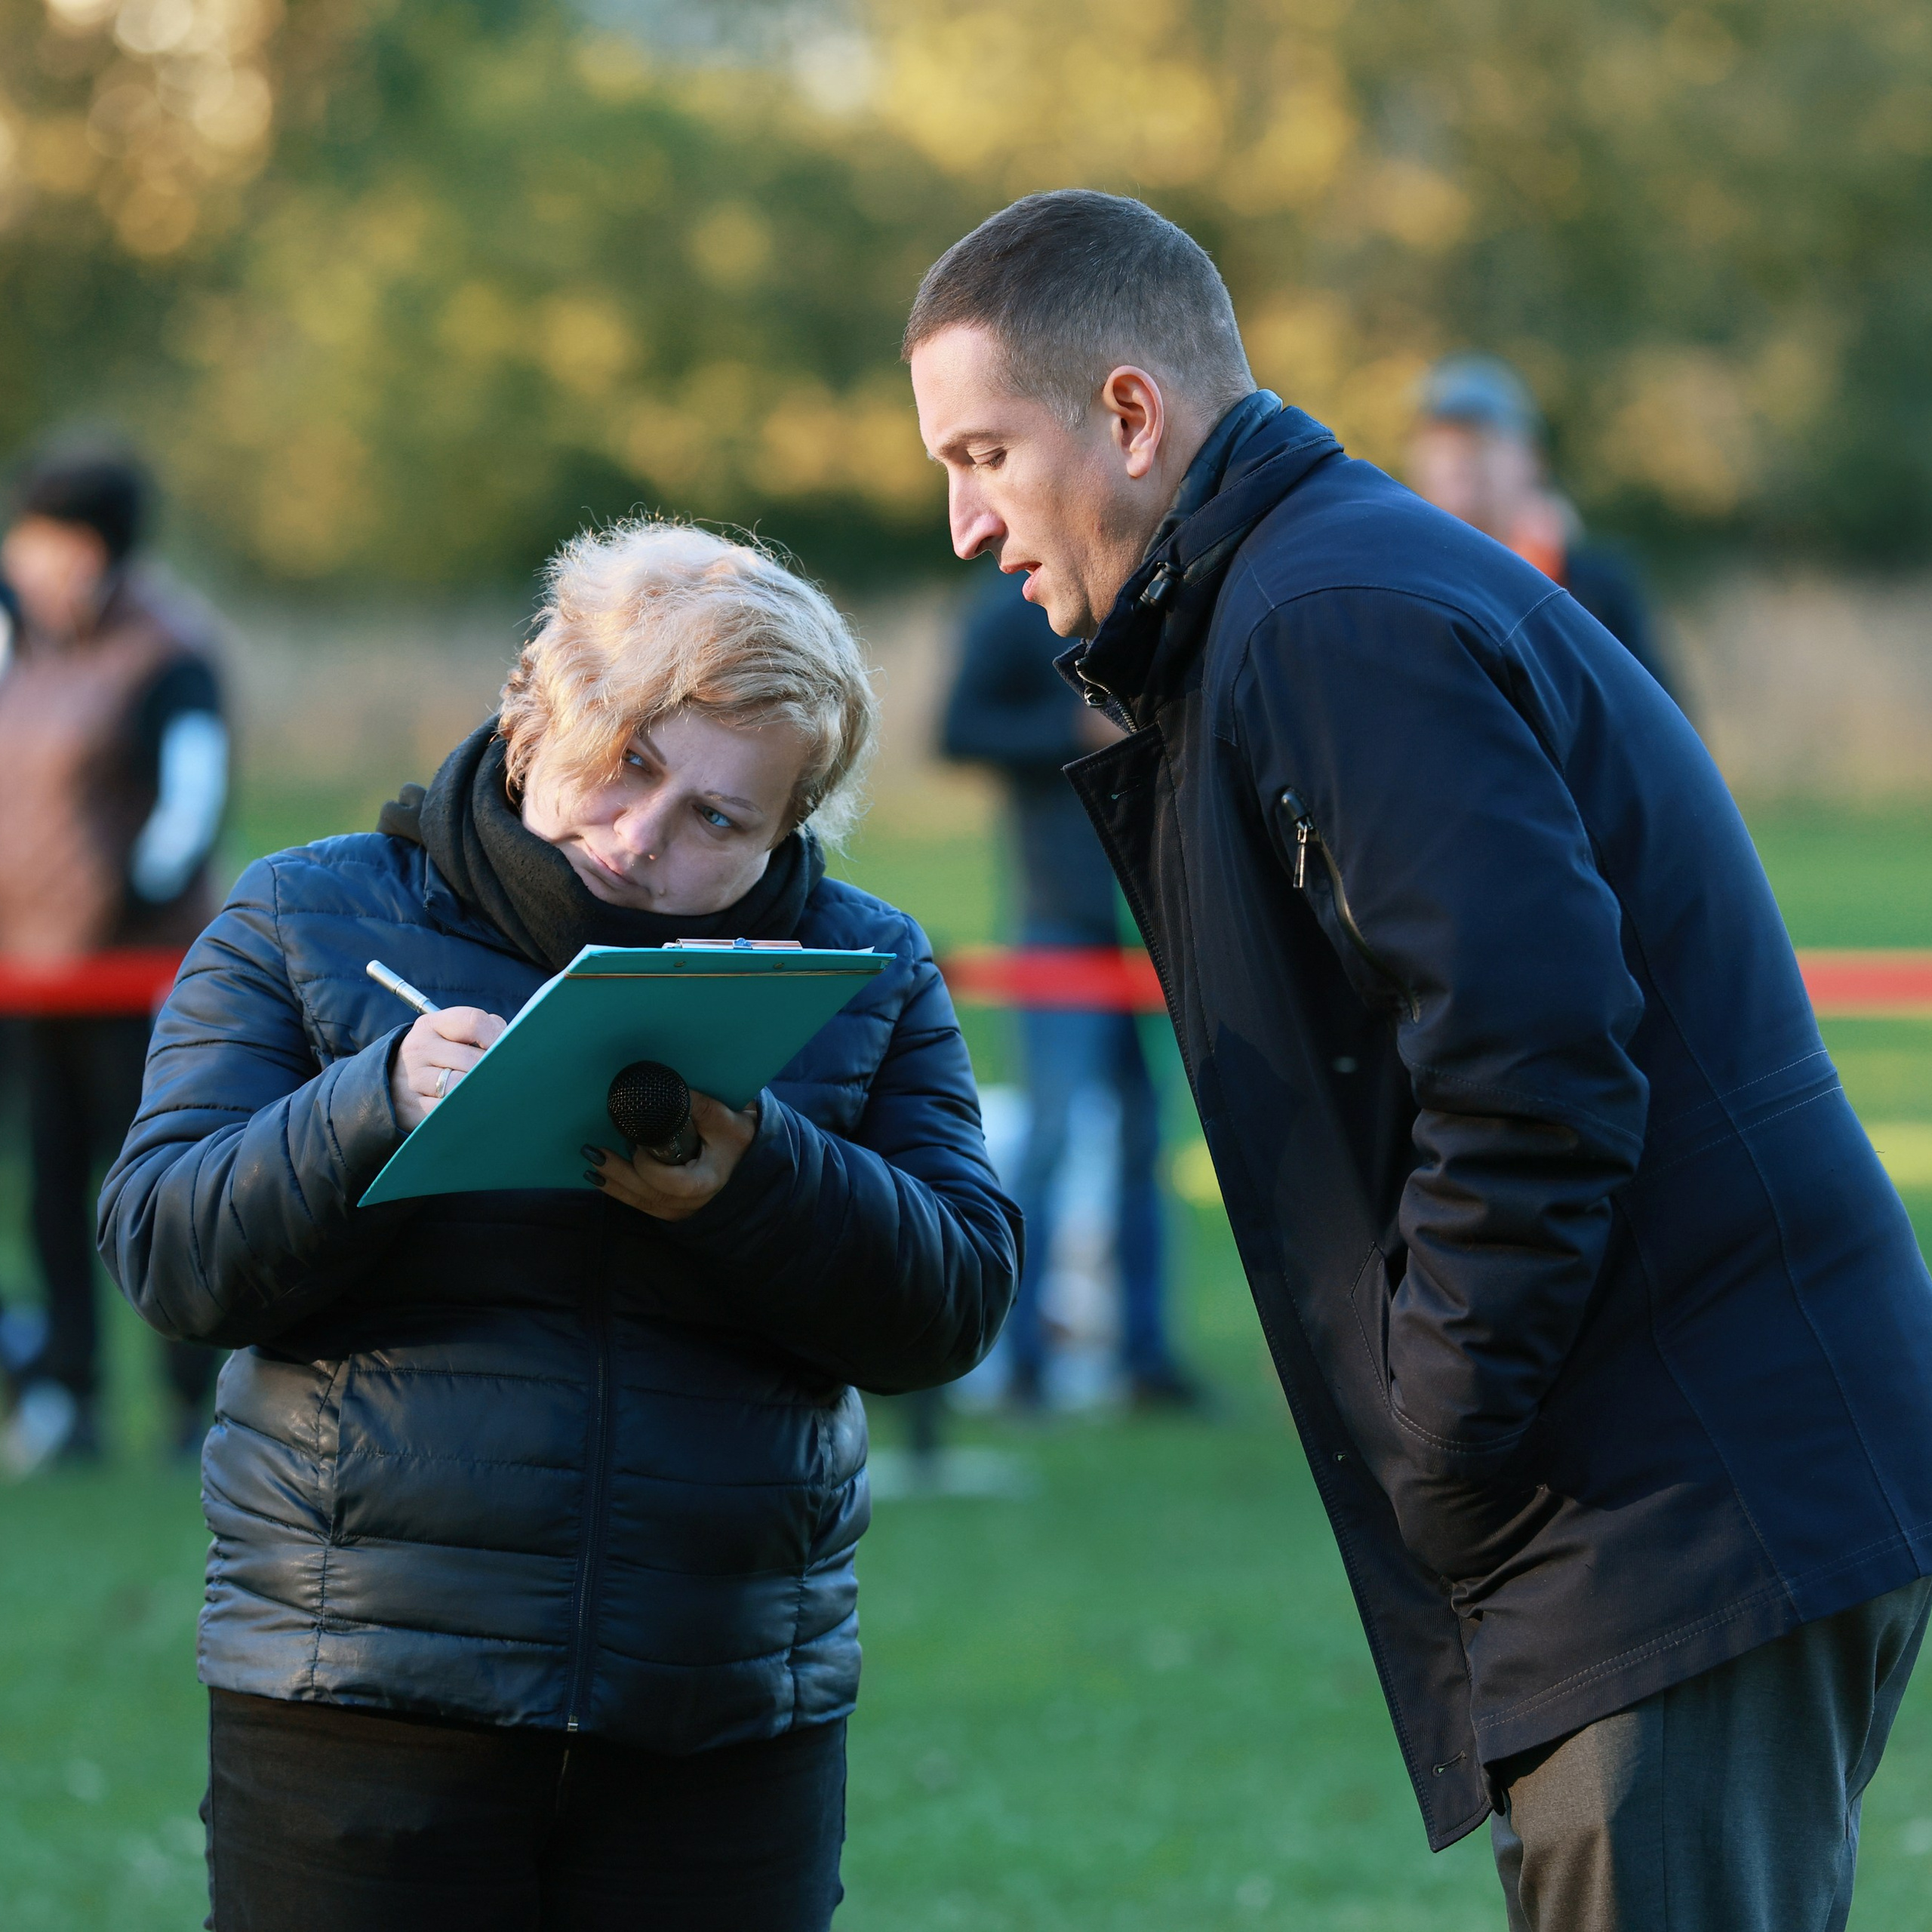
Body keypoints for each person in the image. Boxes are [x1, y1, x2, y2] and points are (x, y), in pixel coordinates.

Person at [904, 189, 1932, 1932]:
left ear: (1130, 413)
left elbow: (1530, 1064)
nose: (960, 521)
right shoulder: (1297, 594)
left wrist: (1436, 1437)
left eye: (982, 452)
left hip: (1671, 1494)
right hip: (1645, 1485)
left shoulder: (1332, 618)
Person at [100, 521, 1019, 1930]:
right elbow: (167, 1252)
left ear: (793, 829)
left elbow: (954, 1302)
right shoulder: (303, 914)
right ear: (538, 712)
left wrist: (762, 1181)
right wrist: (371, 1109)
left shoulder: (868, 969)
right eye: (631, 763)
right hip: (362, 1694)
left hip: (722, 1710)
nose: (645, 839)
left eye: (721, 818)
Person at [0, 445, 227, 1472]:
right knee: (47, 1188)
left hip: (135, 977)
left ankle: (195, 1401)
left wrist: (116, 907)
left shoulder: (168, 654)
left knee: (157, 1188)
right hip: (25, 974)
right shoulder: (21, 646)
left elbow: (191, 802)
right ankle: (66, 1396)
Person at [941, 565, 1196, 1409]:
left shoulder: (1154, 595)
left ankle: (1146, 1360)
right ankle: (1020, 1362)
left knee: (1143, 1139)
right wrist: (1068, 727)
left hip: (1153, 912)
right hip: (1057, 913)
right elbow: (957, 729)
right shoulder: (1009, 606)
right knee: (1050, 1138)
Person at [1407, 354, 1679, 701]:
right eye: (1441, 443)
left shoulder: (1596, 589)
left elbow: (1662, 732)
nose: (1460, 458)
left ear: (1533, 459)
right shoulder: (1401, 588)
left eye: (1483, 440)